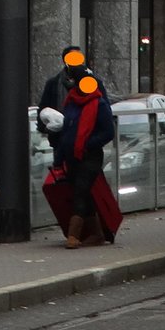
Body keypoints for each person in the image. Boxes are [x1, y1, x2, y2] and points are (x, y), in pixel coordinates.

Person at [51, 68, 115, 248]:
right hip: (72, 157)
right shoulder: (71, 102)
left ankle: (73, 235)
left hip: (90, 156)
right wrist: (59, 159)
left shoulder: (99, 104)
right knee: (83, 194)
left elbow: (108, 132)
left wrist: (87, 144)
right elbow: (66, 132)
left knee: (80, 190)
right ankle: (96, 234)